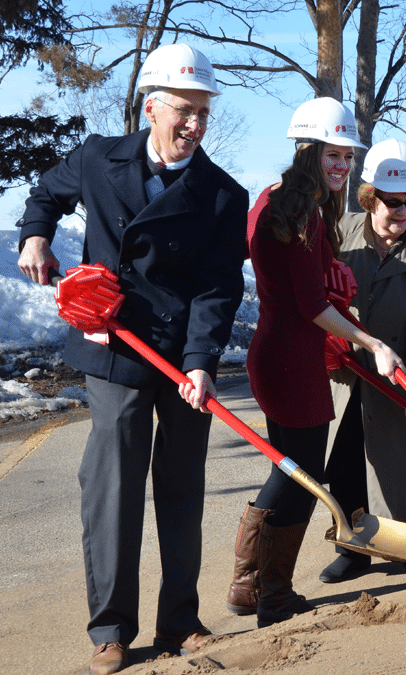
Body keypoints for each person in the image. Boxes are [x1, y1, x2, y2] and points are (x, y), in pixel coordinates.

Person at [16, 44, 247, 675]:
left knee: (181, 489)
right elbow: (46, 194)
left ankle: (180, 621)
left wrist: (201, 361)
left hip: (181, 360)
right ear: (152, 107)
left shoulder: (223, 195)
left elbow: (217, 287)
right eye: (185, 109)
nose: (196, 124)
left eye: (203, 112)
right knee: (112, 489)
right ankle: (111, 629)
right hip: (113, 347)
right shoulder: (98, 158)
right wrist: (35, 233)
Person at [224, 98, 404, 628]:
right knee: (300, 473)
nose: (342, 166)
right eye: (332, 154)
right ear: (306, 149)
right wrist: (370, 343)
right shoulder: (298, 210)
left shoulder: (275, 199)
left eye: (347, 156)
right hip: (289, 355)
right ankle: (260, 590)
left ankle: (256, 589)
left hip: (283, 351)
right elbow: (310, 305)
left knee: (293, 468)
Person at [321, 139, 406, 588]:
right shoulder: (338, 234)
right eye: (390, 201)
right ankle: (352, 550)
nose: (401, 211)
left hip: (396, 382)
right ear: (368, 197)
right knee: (342, 468)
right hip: (340, 374)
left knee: (396, 470)